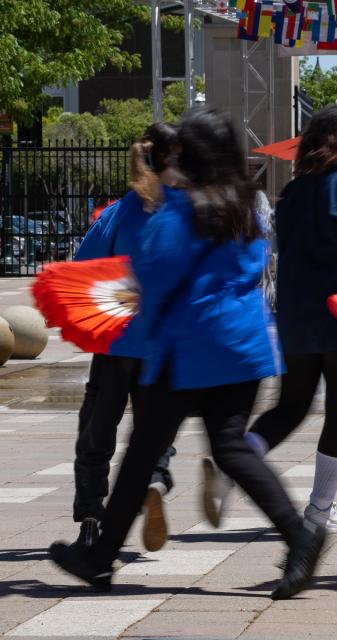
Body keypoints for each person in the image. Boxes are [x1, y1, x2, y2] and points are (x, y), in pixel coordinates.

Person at [49, 106, 324, 600]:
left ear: (188, 153)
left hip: (187, 350)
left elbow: (152, 270)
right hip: (242, 349)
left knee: (140, 456)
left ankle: (98, 556)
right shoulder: (243, 204)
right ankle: (300, 535)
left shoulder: (180, 208)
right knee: (232, 449)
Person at [217, 105, 337, 535]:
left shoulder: (293, 194)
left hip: (297, 318)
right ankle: (320, 507)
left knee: (291, 405)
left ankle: (236, 461)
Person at [70, 124, 180, 552]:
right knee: (156, 429)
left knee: (96, 430)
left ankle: (91, 517)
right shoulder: (186, 213)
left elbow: (83, 267)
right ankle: (154, 478)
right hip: (165, 346)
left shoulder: (120, 211)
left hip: (117, 341)